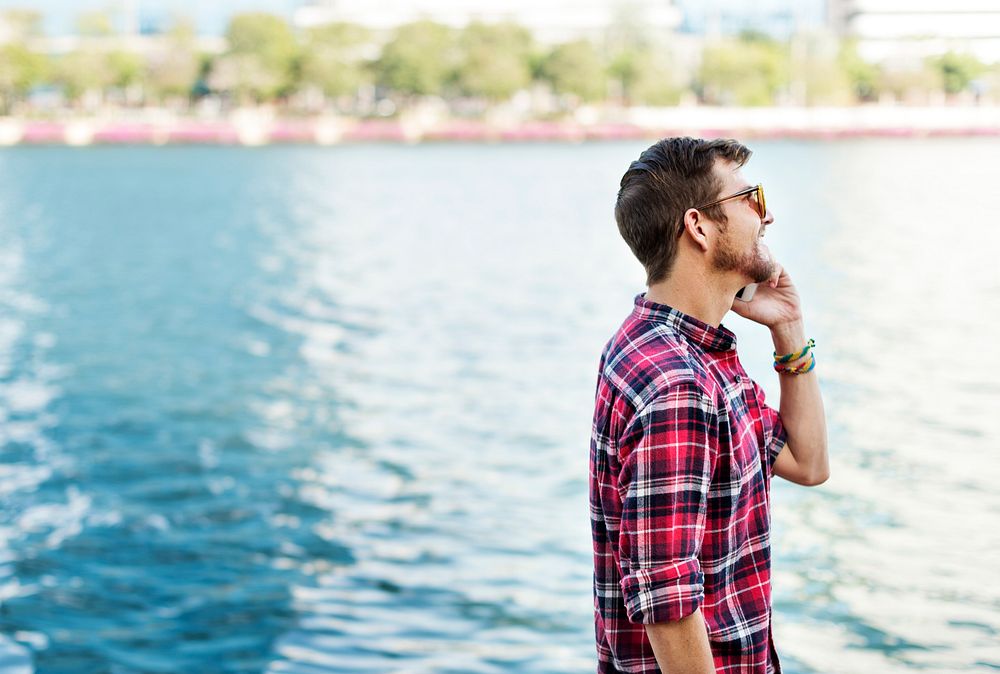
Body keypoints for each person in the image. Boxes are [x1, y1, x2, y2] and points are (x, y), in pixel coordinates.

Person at [590, 137, 829, 674]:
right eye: (752, 198)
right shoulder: (678, 383)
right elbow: (666, 598)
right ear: (699, 226)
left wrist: (788, 327)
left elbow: (807, 463)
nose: (767, 216)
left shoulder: (685, 348)